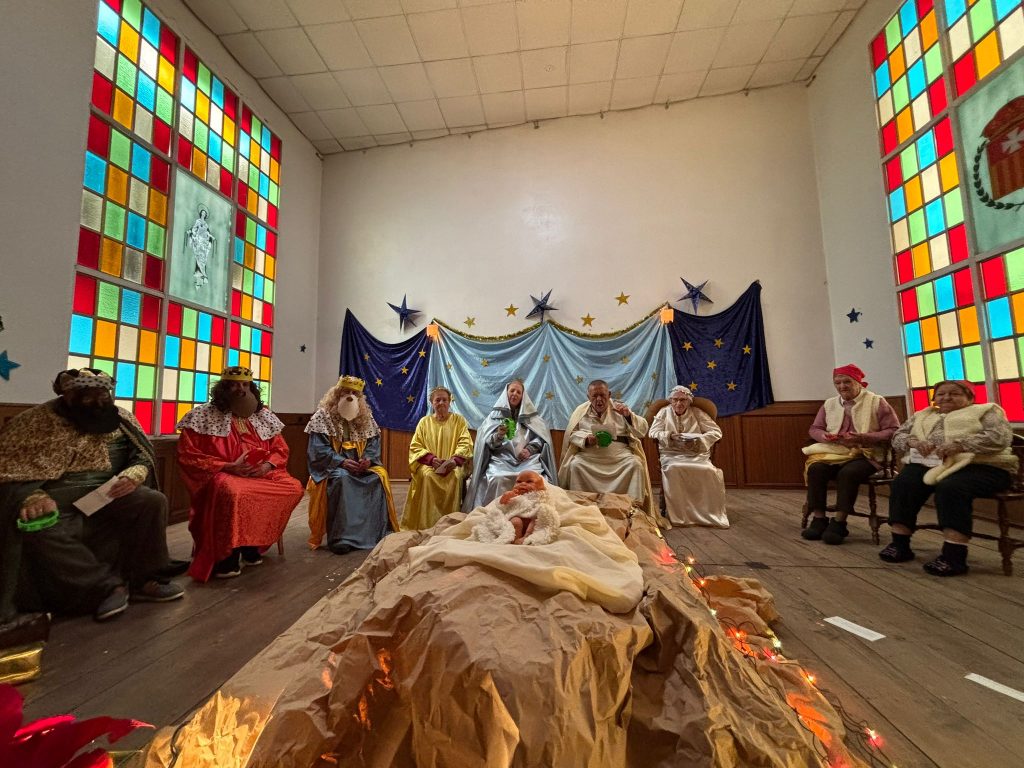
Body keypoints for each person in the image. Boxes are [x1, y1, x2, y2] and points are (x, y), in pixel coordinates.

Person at [0, 368, 183, 622]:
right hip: (57, 504)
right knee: (38, 526)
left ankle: (146, 579)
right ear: (67, 395)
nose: (98, 402)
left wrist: (134, 474)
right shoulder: (34, 422)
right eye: (88, 397)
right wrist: (32, 496)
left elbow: (142, 455)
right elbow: (8, 469)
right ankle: (105, 587)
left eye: (103, 395)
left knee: (151, 501)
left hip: (107, 496)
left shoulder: (122, 418)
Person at [176, 366, 303, 581]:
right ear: (223, 388)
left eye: (245, 385)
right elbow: (188, 455)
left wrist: (267, 466)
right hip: (223, 473)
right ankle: (228, 556)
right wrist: (227, 466)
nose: (240, 389)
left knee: (294, 487)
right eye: (234, 385)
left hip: (261, 474)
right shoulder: (202, 415)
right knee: (233, 493)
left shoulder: (263, 416)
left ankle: (253, 544)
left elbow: (280, 449)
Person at [878, 380, 1016, 576]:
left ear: (970, 397)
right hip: (934, 464)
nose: (946, 398)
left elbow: (999, 437)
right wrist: (913, 442)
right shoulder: (923, 414)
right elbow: (897, 436)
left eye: (954, 393)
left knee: (951, 487)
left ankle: (954, 556)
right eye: (941, 394)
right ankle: (899, 544)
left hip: (982, 465)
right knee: (904, 482)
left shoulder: (987, 411)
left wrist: (960, 445)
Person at [801, 364, 900, 545]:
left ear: (859, 383)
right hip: (837, 452)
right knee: (816, 469)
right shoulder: (829, 404)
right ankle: (819, 519)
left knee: (848, 473)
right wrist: (825, 436)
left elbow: (893, 430)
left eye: (847, 382)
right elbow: (815, 428)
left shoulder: (876, 401)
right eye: (837, 383)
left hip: (868, 454)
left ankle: (839, 522)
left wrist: (864, 437)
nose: (842, 386)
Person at [305, 375, 398, 554]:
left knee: (378, 478)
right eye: (345, 392)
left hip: (361, 467)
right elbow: (318, 450)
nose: (350, 396)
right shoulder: (322, 417)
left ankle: (374, 534)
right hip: (334, 467)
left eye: (354, 393)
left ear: (360, 398)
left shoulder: (365, 417)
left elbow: (373, 445)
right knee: (342, 480)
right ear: (336, 394)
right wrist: (341, 461)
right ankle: (342, 538)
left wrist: (368, 460)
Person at [558, 380, 654, 514]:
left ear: (609, 395)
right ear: (588, 397)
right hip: (590, 457)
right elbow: (572, 434)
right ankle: (583, 507)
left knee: (635, 464)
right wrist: (586, 439)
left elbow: (642, 430)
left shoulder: (620, 409)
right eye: (594, 396)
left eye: (602, 395)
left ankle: (631, 509)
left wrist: (628, 416)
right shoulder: (581, 411)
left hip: (619, 457)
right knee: (575, 465)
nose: (599, 399)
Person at [463, 379, 557, 511]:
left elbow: (541, 439)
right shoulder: (494, 418)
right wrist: (499, 435)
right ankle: (496, 510)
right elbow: (486, 443)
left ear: (523, 396)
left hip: (527, 460)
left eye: (518, 392)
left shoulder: (532, 418)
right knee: (497, 478)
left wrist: (530, 449)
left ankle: (531, 511)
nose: (515, 394)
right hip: (502, 459)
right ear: (506, 394)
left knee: (536, 477)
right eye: (512, 391)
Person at [648, 385, 729, 528]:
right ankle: (679, 515)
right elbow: (653, 432)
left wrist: (699, 439)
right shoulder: (664, 412)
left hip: (696, 454)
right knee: (673, 469)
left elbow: (716, 432)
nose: (679, 403)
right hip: (671, 455)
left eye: (683, 400)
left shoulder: (697, 413)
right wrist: (670, 435)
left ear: (689, 401)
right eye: (675, 400)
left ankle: (707, 513)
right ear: (671, 401)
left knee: (709, 471)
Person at [401, 387, 473, 530]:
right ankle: (427, 525)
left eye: (444, 400)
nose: (441, 403)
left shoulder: (459, 421)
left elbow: (465, 442)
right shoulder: (424, 422)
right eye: (437, 400)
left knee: (455, 477)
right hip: (429, 465)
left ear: (449, 402)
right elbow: (416, 446)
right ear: (432, 403)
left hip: (453, 464)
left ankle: (450, 525)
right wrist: (430, 459)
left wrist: (454, 460)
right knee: (428, 477)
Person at [467, 470, 560, 546]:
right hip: (516, 521)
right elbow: (502, 507)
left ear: (540, 486)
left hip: (532, 521)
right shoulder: (514, 495)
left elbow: (546, 507)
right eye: (519, 481)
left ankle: (526, 537)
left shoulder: (541, 495)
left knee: (535, 521)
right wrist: (506, 498)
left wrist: (541, 510)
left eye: (529, 481)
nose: (523, 484)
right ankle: (514, 538)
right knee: (516, 521)